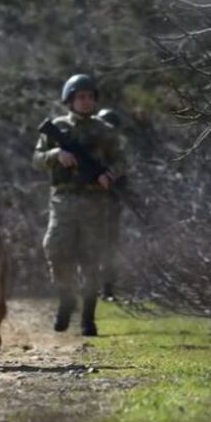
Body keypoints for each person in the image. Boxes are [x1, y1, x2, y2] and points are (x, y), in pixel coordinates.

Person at [32, 74, 125, 336]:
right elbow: (37, 159)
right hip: (63, 199)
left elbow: (121, 161)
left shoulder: (105, 131)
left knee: (91, 259)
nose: (85, 102)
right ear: (70, 100)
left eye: (89, 97)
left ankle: (88, 317)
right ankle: (66, 297)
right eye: (80, 97)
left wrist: (110, 175)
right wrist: (56, 155)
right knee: (56, 250)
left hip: (95, 201)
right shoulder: (57, 127)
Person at [95, 108, 123, 300]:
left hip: (111, 205)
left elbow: (123, 175)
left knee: (109, 249)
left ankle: (107, 289)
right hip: (89, 204)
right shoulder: (92, 150)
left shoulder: (116, 153)